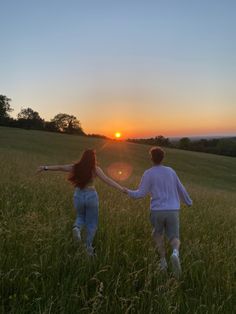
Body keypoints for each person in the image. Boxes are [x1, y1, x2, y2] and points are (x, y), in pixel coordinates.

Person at [37, 149, 124, 256]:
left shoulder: (76, 167)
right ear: (93, 158)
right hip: (91, 195)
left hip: (78, 195)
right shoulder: (95, 169)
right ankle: (88, 248)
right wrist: (121, 188)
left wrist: (45, 168)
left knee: (80, 216)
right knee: (92, 223)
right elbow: (107, 180)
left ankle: (77, 228)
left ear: (83, 157)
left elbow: (60, 167)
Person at [124, 146, 192, 278]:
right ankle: (175, 253)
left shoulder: (148, 173)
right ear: (163, 158)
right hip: (173, 210)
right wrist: (188, 201)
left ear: (151, 158)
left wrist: (128, 191)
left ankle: (163, 262)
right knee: (174, 237)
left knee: (157, 234)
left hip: (157, 211)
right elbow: (180, 188)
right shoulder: (171, 171)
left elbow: (140, 194)